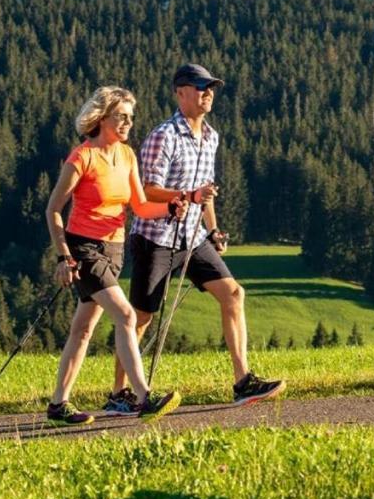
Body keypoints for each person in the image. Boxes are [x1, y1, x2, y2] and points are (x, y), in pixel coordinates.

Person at [106, 63, 284, 411]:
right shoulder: (164, 135)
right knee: (140, 319)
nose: (208, 93)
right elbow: (147, 191)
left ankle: (242, 381)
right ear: (181, 92)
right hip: (156, 237)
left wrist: (213, 227)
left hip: (193, 235)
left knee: (233, 294)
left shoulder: (211, 136)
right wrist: (188, 195)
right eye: (201, 87)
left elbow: (206, 193)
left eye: (211, 87)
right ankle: (118, 394)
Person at [44, 86, 186, 425]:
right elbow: (53, 210)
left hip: (114, 248)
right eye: (121, 116)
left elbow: (139, 207)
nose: (127, 123)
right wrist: (64, 257)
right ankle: (144, 396)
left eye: (130, 118)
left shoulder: (126, 156)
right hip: (84, 248)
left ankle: (58, 405)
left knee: (83, 329)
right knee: (125, 316)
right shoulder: (82, 157)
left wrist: (169, 206)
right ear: (102, 117)